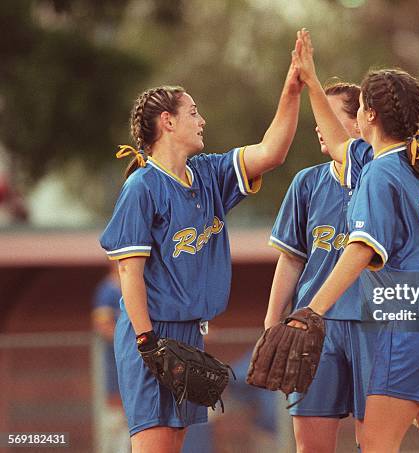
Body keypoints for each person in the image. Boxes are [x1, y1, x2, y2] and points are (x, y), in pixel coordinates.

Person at [99, 49, 303, 453]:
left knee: (177, 447)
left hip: (189, 334)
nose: (202, 119)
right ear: (167, 122)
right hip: (153, 334)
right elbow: (129, 273)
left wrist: (293, 88)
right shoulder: (142, 187)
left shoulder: (209, 174)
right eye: (193, 112)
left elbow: (272, 152)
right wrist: (147, 343)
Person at [290, 29, 419, 453]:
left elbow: (362, 249)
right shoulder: (400, 162)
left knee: (376, 442)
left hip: (414, 309)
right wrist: (312, 82)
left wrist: (312, 310)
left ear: (368, 116)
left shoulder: (379, 172)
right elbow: (339, 143)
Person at [265, 80, 377, 453]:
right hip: (314, 328)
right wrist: (271, 324)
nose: (318, 126)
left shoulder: (379, 176)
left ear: (360, 123)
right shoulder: (307, 183)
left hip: (372, 325)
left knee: (375, 443)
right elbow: (292, 258)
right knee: (310, 446)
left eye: (325, 115)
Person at [91, 262, 131, 453]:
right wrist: (128, 341)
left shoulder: (134, 284)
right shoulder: (108, 289)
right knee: (116, 412)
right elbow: (102, 325)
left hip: (135, 358)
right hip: (115, 358)